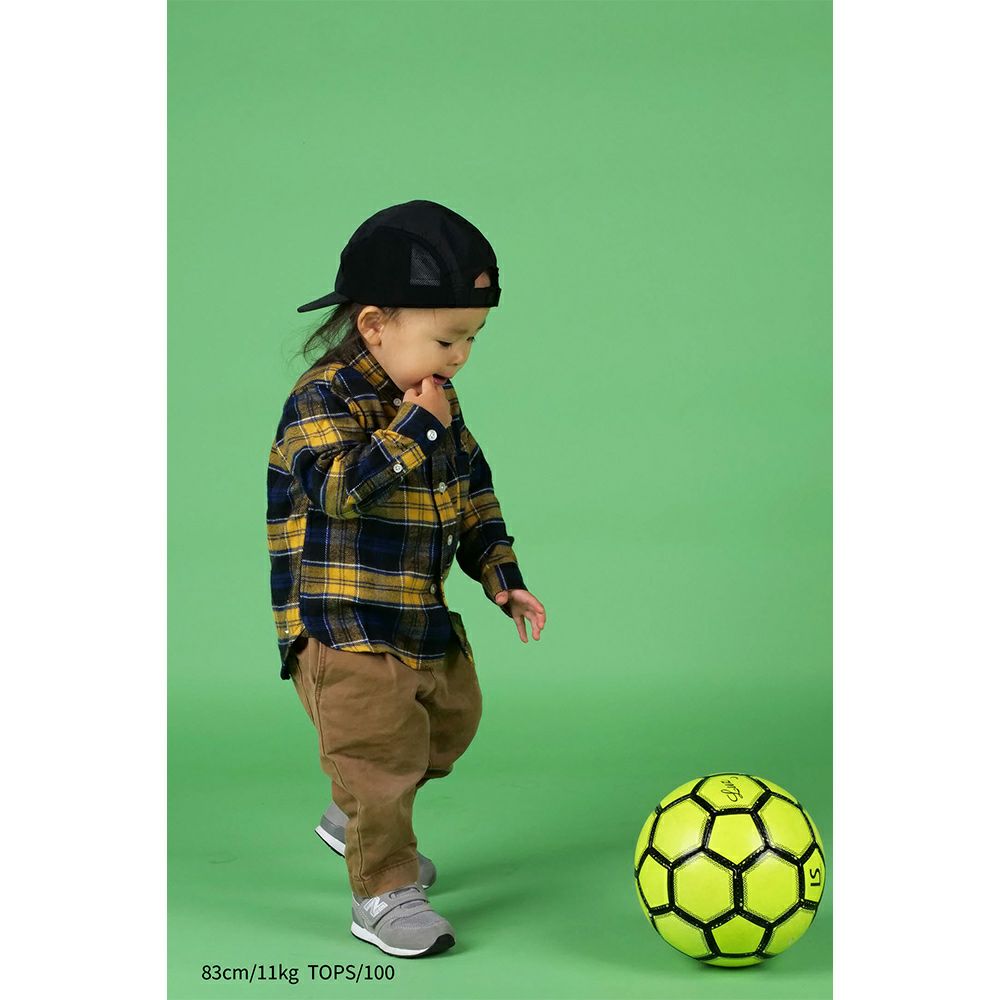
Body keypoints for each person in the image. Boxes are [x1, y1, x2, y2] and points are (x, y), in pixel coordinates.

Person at [265, 199, 546, 958]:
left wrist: (500, 572)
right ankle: (382, 890)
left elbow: (472, 489)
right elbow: (337, 488)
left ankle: (358, 812)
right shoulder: (322, 399)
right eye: (446, 339)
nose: (460, 357)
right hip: (342, 624)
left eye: (471, 339)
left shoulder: (435, 402)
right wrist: (415, 429)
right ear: (374, 326)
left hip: (417, 616)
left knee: (453, 720)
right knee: (380, 758)